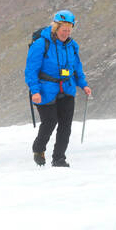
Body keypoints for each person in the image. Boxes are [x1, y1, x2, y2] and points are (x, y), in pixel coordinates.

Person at [25, 11, 92, 167]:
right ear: (55, 27)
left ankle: (59, 159)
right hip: (45, 91)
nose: (66, 33)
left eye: (69, 30)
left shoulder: (72, 46)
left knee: (65, 126)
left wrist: (84, 85)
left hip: (67, 89)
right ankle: (39, 148)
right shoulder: (41, 44)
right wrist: (35, 91)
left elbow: (76, 68)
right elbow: (31, 70)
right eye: (64, 30)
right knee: (49, 122)